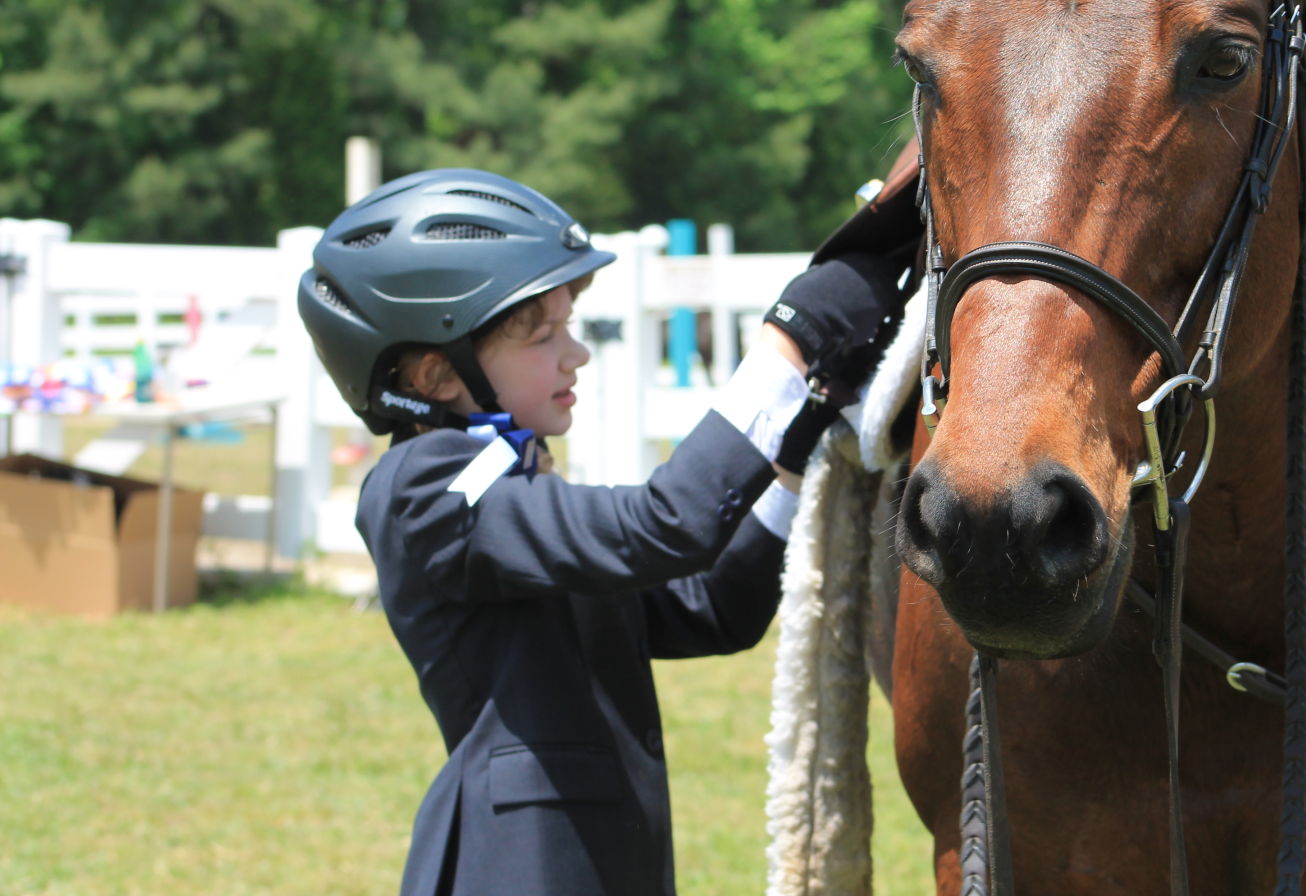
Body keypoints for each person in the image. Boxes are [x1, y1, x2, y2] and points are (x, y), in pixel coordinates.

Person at [295, 168, 904, 896]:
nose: (575, 353)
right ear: (435, 375)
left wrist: (799, 434)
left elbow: (709, 608)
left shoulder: (510, 486)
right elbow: (665, 524)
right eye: (541, 334)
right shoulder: (425, 488)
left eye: (568, 326)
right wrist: (790, 342)